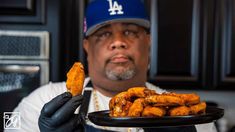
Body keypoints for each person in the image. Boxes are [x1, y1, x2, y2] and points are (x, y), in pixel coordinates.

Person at [6, 0, 217, 132]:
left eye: (130, 32)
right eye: (104, 33)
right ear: (87, 46)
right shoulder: (39, 101)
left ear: (148, 41)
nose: (118, 42)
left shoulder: (189, 116)